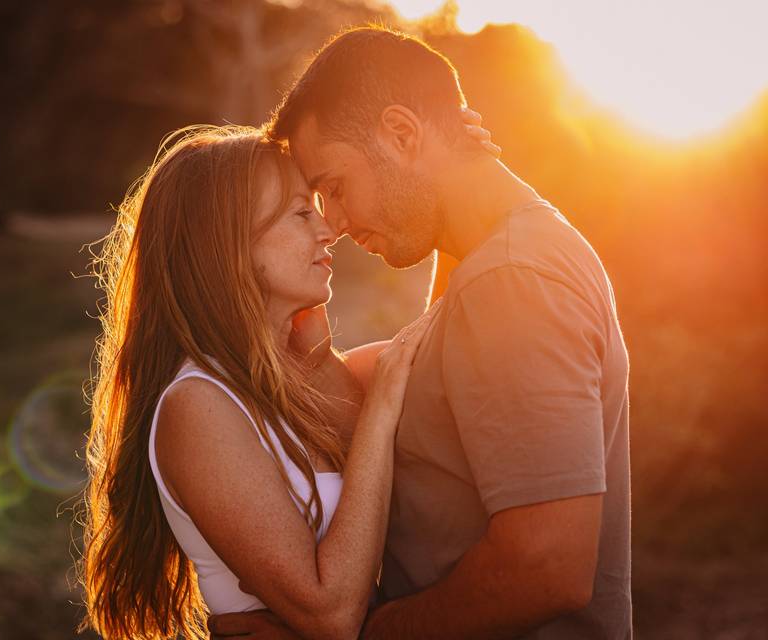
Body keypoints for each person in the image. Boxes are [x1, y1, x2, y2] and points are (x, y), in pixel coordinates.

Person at [209, 26, 632, 640]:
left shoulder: (512, 280)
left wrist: (372, 634)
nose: (338, 223)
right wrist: (450, 176)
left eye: (334, 187)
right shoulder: (492, 264)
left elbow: (546, 565)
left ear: (402, 133)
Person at [77, 121, 496, 640]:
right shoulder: (199, 406)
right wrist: (381, 406)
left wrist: (452, 171)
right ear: (227, 245)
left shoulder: (307, 377)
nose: (328, 230)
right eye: (302, 214)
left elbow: (447, 348)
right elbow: (331, 615)